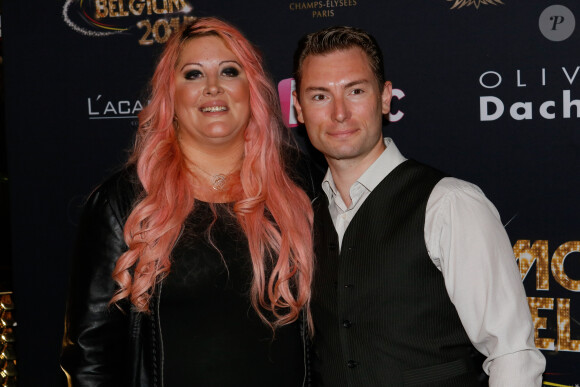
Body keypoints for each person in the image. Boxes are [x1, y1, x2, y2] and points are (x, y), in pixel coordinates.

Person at [61, 17, 315, 387]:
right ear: (169, 94)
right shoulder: (125, 201)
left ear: (253, 89)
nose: (213, 87)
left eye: (230, 71)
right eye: (193, 74)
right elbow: (90, 356)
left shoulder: (300, 182)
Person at [292, 26, 546, 386]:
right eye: (320, 96)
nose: (339, 113)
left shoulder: (450, 203)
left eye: (356, 91)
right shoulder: (306, 217)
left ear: (385, 97)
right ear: (299, 109)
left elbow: (512, 354)